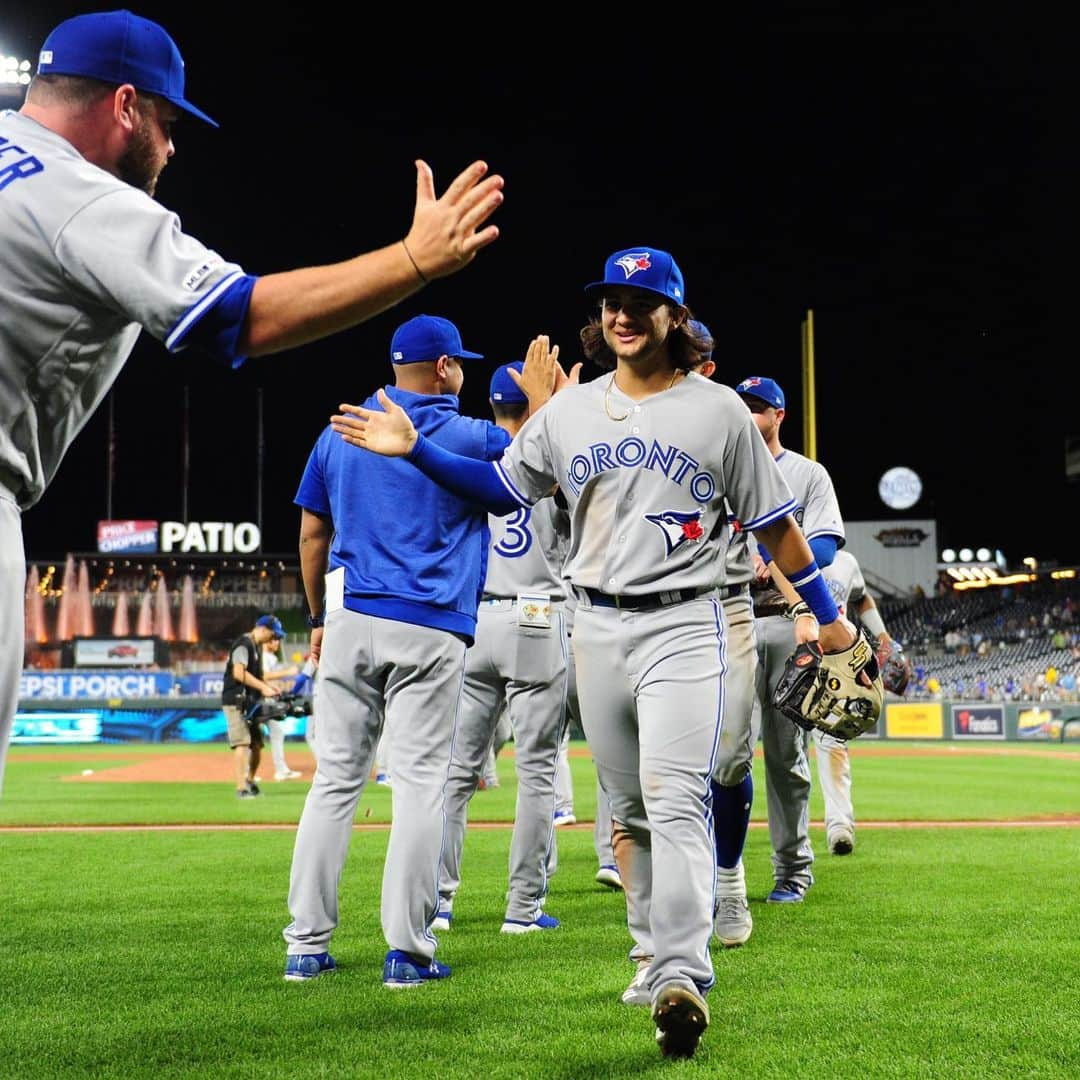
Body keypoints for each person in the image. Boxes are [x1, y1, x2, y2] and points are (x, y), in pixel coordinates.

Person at [329, 246, 860, 1060]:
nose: (620, 314)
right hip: (594, 626)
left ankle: (685, 969)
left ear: (673, 317)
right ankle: (653, 956)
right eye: (611, 300)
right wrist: (419, 452)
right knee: (631, 813)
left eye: (640, 303)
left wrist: (828, 617)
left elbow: (776, 528)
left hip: (687, 623)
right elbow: (502, 488)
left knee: (673, 792)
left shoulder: (718, 410)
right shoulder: (568, 416)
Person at [0, 9, 504, 796]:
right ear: (125, 105)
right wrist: (413, 260)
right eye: (165, 122)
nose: (170, 145)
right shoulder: (79, 193)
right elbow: (243, 317)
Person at [282, 314, 512, 989]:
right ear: (443, 368)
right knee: (417, 787)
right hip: (430, 623)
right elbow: (530, 472)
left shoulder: (341, 429)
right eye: (459, 362)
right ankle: (407, 952)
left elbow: (310, 535)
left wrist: (318, 616)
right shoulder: (471, 434)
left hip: (351, 616)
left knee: (333, 784)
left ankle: (305, 947)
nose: (463, 371)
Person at [433, 361, 570, 936]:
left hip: (477, 619)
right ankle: (522, 910)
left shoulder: (470, 457)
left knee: (456, 772)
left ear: (493, 405)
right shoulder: (554, 459)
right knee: (538, 771)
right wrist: (563, 401)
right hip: (538, 617)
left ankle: (435, 904)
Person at [736, 376, 846, 904]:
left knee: (785, 755)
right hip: (728, 614)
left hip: (788, 619)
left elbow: (822, 548)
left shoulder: (806, 473)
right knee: (725, 754)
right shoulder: (720, 466)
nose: (749, 415)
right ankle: (720, 873)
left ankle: (793, 869)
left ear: (779, 415)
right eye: (742, 407)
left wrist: (777, 553)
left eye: (758, 408)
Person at [681, 325, 759, 949]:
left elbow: (779, 523)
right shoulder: (622, 416)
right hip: (646, 611)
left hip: (727, 604)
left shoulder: (732, 422)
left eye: (694, 359)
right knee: (652, 773)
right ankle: (667, 914)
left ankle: (728, 880)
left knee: (730, 755)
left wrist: (825, 614)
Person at [818, 548, 896, 855]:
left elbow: (861, 598)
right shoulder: (782, 545)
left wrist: (884, 637)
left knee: (833, 740)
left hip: (836, 663)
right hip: (793, 657)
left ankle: (839, 826)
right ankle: (790, 838)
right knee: (787, 753)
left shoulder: (846, 561)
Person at [221, 614, 284, 798]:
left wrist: (268, 686)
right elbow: (239, 674)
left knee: (256, 744)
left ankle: (250, 780)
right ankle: (241, 788)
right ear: (263, 628)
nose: (274, 638)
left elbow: (257, 674)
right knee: (242, 743)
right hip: (236, 700)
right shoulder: (243, 644)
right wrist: (263, 687)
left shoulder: (256, 646)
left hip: (250, 702)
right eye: (273, 634)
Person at [260, 636, 303, 781]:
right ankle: (247, 773)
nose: (277, 643)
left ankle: (281, 770)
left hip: (267, 699)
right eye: (275, 640)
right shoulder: (262, 655)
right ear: (267, 642)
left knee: (277, 732)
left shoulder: (270, 657)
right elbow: (263, 675)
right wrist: (287, 672)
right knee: (253, 737)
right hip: (257, 701)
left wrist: (273, 687)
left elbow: (265, 678)